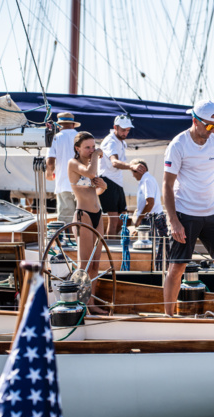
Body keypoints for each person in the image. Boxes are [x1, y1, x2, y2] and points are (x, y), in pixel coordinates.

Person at [162, 100, 214, 317]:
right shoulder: (178, 145)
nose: (213, 130)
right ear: (195, 121)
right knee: (177, 267)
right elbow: (167, 185)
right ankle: (168, 317)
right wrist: (173, 221)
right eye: (209, 125)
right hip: (185, 213)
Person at [67, 131, 109, 315]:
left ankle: (91, 304)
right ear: (77, 148)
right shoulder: (73, 163)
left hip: (97, 214)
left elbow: (93, 192)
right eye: (87, 147)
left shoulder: (91, 164)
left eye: (93, 146)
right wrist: (96, 154)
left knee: (95, 265)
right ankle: (80, 304)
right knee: (84, 264)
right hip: (83, 215)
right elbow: (90, 174)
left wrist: (103, 187)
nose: (92, 150)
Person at [98, 115, 146, 238]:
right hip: (107, 180)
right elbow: (114, 162)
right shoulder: (110, 141)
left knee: (122, 218)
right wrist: (132, 166)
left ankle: (115, 243)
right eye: (123, 130)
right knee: (114, 219)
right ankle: (111, 246)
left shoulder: (120, 141)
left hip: (116, 182)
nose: (126, 133)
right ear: (115, 127)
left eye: (128, 130)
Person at [129, 158, 169, 270]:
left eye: (133, 171)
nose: (133, 175)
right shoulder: (147, 180)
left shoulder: (147, 180)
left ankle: (154, 269)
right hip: (151, 218)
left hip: (150, 220)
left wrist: (139, 219)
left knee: (151, 248)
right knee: (153, 248)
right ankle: (155, 268)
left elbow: (150, 203)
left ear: (141, 169)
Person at [46, 112, 80, 224]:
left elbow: (50, 162)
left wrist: (49, 174)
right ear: (73, 124)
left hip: (63, 183)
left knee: (66, 220)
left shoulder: (55, 138)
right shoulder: (81, 137)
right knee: (82, 218)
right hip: (82, 184)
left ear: (59, 125)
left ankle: (67, 236)